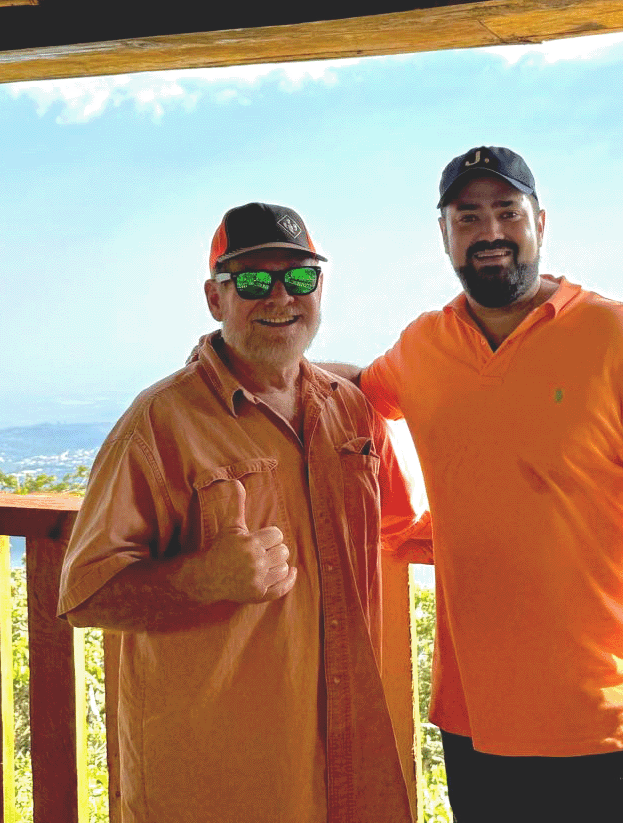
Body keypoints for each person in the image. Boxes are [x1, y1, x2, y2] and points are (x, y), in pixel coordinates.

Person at [323, 146, 623, 823]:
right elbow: (359, 386)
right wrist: (243, 362)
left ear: (540, 222)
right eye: (468, 217)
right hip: (477, 728)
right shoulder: (425, 345)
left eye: (507, 212)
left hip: (614, 726)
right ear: (444, 234)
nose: (490, 231)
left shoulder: (618, 335)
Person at [58, 202, 428, 823]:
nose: (280, 296)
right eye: (254, 280)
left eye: (300, 277)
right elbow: (85, 595)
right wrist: (203, 579)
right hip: (216, 785)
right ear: (215, 299)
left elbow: (403, 530)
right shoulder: (159, 423)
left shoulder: (351, 410)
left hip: (346, 770)